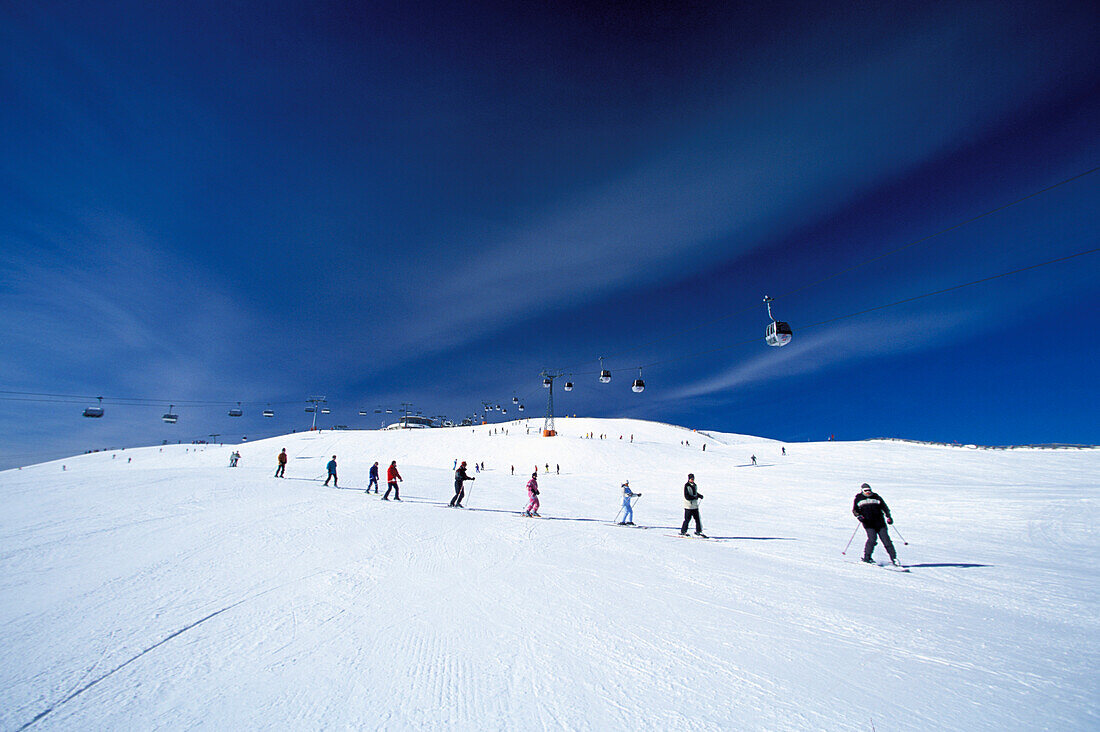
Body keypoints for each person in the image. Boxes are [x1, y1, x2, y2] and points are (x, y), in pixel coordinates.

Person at [853, 483, 899, 565]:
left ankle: (894, 559)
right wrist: (859, 516)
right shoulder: (859, 498)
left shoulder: (876, 497)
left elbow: (884, 507)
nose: (868, 492)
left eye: (869, 490)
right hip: (868, 523)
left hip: (880, 523)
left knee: (886, 540)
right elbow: (855, 510)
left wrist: (888, 516)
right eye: (866, 490)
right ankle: (867, 558)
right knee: (872, 539)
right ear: (862, 491)